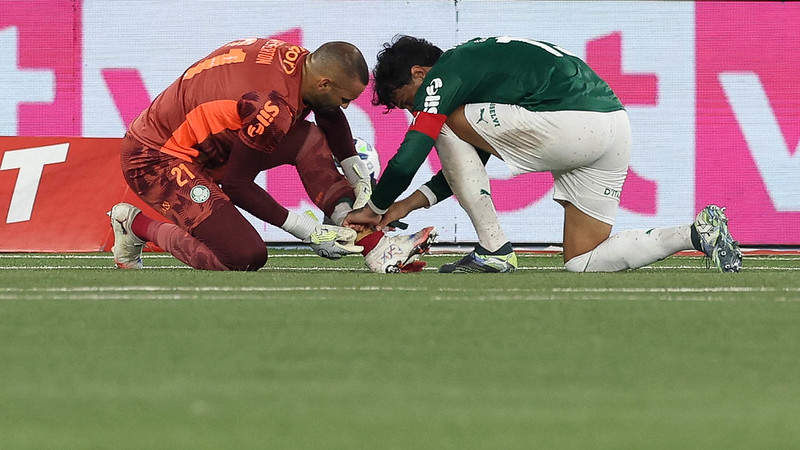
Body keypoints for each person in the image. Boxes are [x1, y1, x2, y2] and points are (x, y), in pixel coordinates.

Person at [344, 35, 742, 273]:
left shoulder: (446, 72)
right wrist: (404, 207)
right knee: (582, 261)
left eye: (407, 101)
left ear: (419, 73)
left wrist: (377, 206)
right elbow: (468, 166)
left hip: (571, 121)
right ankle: (694, 232)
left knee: (438, 122)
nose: (413, 111)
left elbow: (412, 152)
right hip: (613, 127)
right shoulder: (474, 72)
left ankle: (494, 249)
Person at [109, 37, 436, 273]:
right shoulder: (271, 106)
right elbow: (237, 184)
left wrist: (358, 175)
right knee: (244, 256)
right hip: (155, 159)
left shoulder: (301, 62)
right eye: (345, 98)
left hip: (209, 142)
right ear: (324, 83)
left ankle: (371, 243)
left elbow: (328, 114)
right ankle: (136, 226)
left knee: (311, 140)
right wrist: (308, 231)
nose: (347, 106)